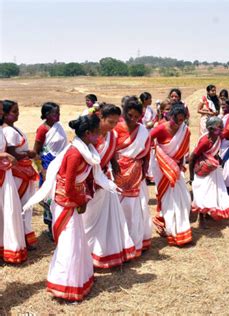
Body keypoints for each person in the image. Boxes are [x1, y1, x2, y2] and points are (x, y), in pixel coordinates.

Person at [25, 115, 118, 301]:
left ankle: (79, 279)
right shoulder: (75, 153)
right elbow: (68, 187)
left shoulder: (85, 149)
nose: (100, 137)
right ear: (87, 133)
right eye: (97, 133)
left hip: (74, 200)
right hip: (67, 202)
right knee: (69, 243)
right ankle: (65, 285)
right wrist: (81, 201)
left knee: (76, 240)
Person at [82, 104, 136, 268]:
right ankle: (85, 253)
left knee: (108, 219)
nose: (113, 125)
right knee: (89, 220)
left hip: (105, 180)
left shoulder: (112, 135)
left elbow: (111, 151)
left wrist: (114, 162)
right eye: (110, 122)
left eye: (115, 122)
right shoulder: (90, 135)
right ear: (100, 118)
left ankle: (104, 252)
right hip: (89, 182)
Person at [113, 97, 152, 256]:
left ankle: (135, 244)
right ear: (124, 113)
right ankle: (120, 244)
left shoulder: (142, 130)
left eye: (137, 117)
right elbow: (109, 151)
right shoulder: (115, 129)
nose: (134, 120)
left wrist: (143, 172)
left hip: (136, 176)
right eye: (130, 116)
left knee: (136, 209)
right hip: (117, 174)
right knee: (118, 209)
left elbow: (147, 154)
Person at [150, 104, 192, 246]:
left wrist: (179, 162)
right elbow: (147, 140)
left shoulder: (184, 130)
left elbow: (184, 149)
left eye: (182, 120)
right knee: (167, 198)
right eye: (176, 120)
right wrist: (159, 154)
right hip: (161, 166)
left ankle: (166, 222)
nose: (178, 123)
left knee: (184, 198)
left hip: (175, 167)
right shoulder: (161, 128)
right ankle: (172, 230)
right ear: (170, 116)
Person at [2, 100, 39, 249]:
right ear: (4, 114)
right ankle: (23, 237)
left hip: (24, 170)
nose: (18, 114)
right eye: (14, 111)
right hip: (18, 172)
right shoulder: (8, 131)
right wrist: (27, 153)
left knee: (25, 205)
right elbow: (12, 154)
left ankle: (25, 236)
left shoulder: (13, 128)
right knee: (23, 206)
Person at [32, 102, 68, 240]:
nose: (58, 115)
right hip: (48, 165)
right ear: (47, 115)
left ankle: (60, 224)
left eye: (59, 112)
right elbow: (36, 152)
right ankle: (51, 227)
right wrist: (42, 169)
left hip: (61, 164)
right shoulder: (42, 129)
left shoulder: (58, 126)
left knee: (60, 195)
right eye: (55, 113)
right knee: (49, 198)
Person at [189, 116, 229, 221]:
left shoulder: (218, 137)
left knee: (213, 192)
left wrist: (218, 158)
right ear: (210, 129)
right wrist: (191, 176)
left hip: (213, 169)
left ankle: (209, 212)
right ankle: (202, 217)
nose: (221, 130)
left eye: (221, 127)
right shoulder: (205, 141)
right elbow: (192, 157)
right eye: (218, 128)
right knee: (203, 192)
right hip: (203, 170)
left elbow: (215, 151)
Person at [0, 100, 27, 264]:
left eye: (2, 110)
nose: (1, 113)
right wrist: (3, 156)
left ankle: (8, 248)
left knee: (8, 211)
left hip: (5, 174)